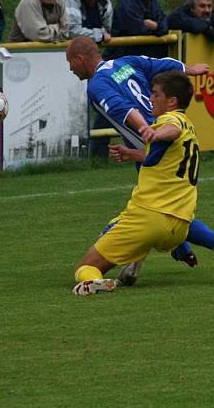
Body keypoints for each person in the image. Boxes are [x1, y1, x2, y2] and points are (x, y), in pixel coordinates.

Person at [66, 36, 214, 283]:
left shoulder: (97, 85)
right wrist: (190, 70)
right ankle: (182, 249)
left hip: (156, 141)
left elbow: (123, 108)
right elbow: (162, 63)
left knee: (143, 215)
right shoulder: (126, 62)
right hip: (162, 148)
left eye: (70, 62)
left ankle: (154, 254)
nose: (70, 68)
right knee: (170, 210)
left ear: (81, 59)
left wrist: (146, 129)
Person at [72, 71, 201, 296]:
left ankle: (93, 282)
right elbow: (162, 158)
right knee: (118, 225)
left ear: (171, 101)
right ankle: (133, 262)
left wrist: (155, 133)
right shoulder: (190, 126)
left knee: (86, 267)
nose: (150, 98)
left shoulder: (169, 121)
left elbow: (172, 130)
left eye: (155, 94)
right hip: (181, 225)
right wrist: (132, 154)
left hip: (149, 218)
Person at [105, 0, 169, 59]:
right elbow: (135, 29)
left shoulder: (153, 1)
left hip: (144, 55)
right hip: (122, 56)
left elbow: (165, 25)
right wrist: (157, 29)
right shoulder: (128, 0)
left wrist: (156, 27)